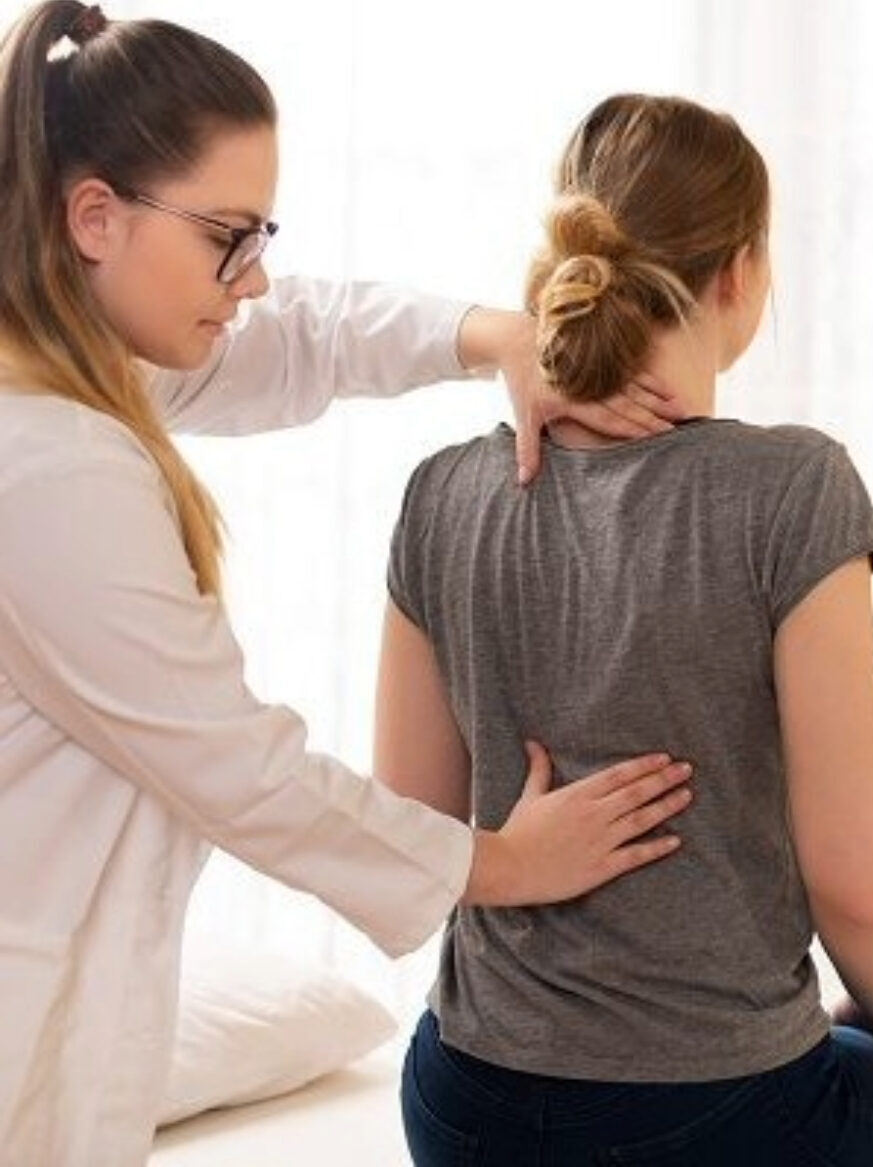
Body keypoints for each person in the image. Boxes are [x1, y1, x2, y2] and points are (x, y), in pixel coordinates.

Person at [0, 5, 699, 1165]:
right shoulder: (51, 464)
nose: (257, 278)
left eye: (261, 233)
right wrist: (503, 863)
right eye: (228, 238)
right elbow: (243, 772)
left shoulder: (71, 377)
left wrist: (498, 338)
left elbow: (302, 338)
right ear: (93, 217)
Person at [376, 92, 873, 1164]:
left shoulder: (441, 492)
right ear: (738, 274)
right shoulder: (794, 489)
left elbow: (408, 822)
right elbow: (852, 884)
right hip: (719, 1111)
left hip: (465, 1102)